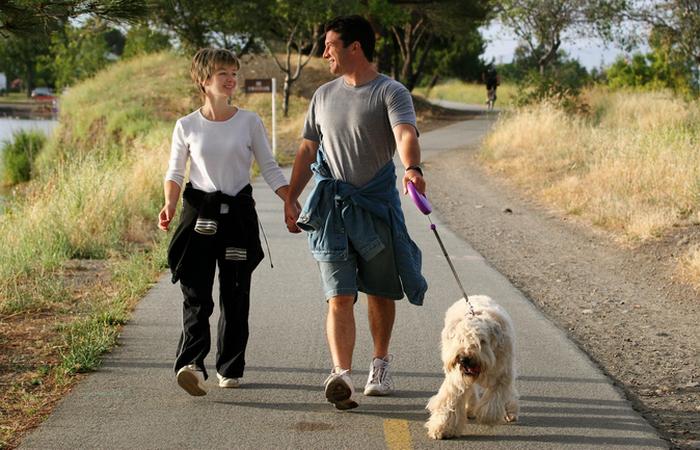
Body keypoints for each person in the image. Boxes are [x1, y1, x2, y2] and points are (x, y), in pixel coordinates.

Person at [283, 15, 428, 410]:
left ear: (355, 47)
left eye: (330, 45)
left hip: (375, 206)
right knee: (339, 294)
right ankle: (342, 374)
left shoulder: (390, 92)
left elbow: (405, 133)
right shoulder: (323, 95)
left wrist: (412, 168)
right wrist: (291, 196)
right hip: (332, 210)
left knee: (379, 291)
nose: (324, 53)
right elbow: (308, 148)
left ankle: (380, 365)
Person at [159, 48, 293, 396]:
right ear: (204, 79)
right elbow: (175, 172)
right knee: (196, 294)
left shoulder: (249, 122)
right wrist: (169, 204)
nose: (231, 79)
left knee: (235, 294)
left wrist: (289, 199)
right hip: (199, 214)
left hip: (237, 217)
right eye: (223, 73)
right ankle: (191, 364)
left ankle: (229, 367)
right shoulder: (186, 125)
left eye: (234, 72)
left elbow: (269, 166)